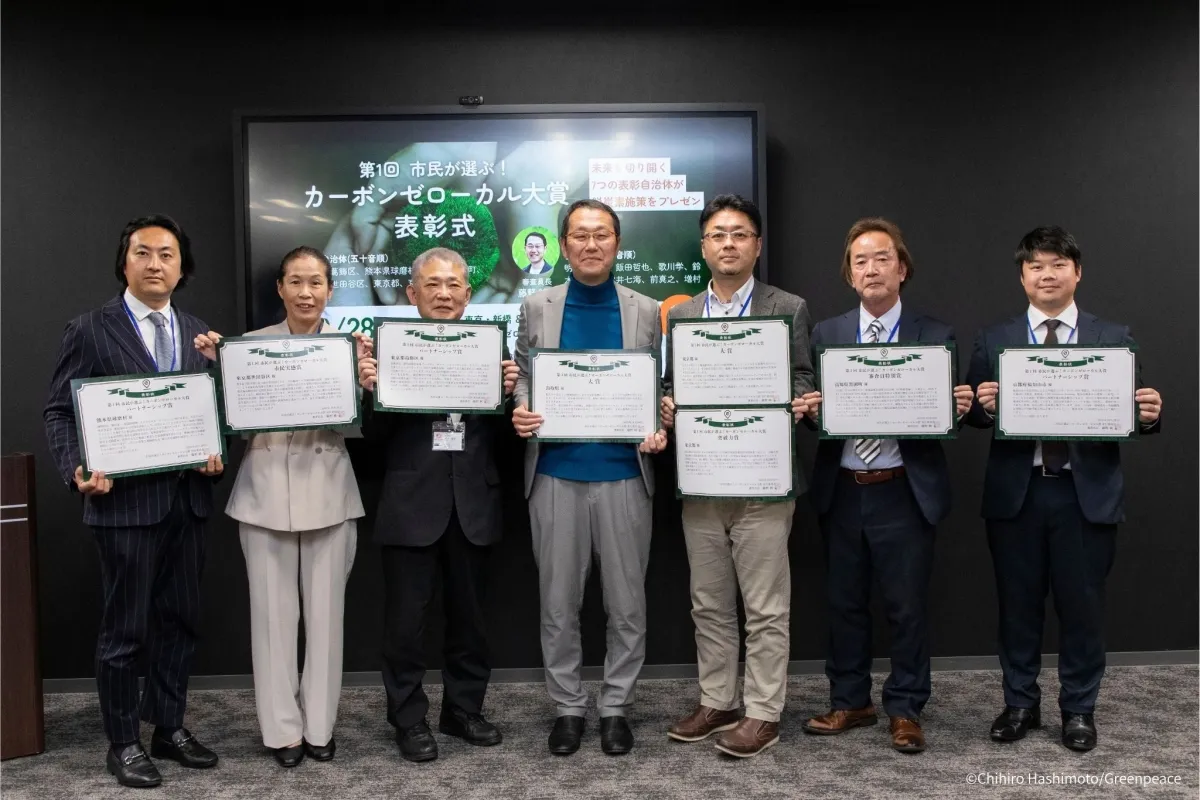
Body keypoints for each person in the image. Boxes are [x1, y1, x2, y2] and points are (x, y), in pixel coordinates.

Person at [43, 214, 224, 788]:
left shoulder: (197, 332)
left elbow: (210, 411)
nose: (154, 264)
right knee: (125, 631)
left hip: (187, 502)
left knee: (181, 622)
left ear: (182, 267)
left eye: (167, 254)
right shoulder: (90, 329)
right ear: (124, 262)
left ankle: (168, 727)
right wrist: (76, 468)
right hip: (123, 507)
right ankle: (122, 741)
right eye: (143, 252)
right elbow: (58, 411)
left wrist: (216, 452)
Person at [964, 226, 1162, 752]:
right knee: (1017, 607)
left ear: (1077, 272)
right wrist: (982, 406)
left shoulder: (1113, 337)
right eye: (1036, 266)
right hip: (1018, 493)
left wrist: (1148, 416)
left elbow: (1130, 412)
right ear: (1022, 277)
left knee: (1083, 608)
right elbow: (976, 417)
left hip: (1084, 494)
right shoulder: (995, 338)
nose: (1046, 274)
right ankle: (1019, 704)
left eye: (1057, 264)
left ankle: (1078, 709)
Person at [798, 217, 974, 754]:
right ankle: (850, 700)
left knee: (906, 606)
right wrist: (810, 413)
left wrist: (955, 409)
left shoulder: (935, 334)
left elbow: (945, 414)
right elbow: (815, 416)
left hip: (903, 488)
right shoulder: (827, 334)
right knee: (844, 603)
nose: (871, 269)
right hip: (844, 487)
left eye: (881, 258)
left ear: (902, 269)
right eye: (860, 261)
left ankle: (905, 707)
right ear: (849, 275)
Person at [193, 246, 364, 768]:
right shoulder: (246, 347)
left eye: (316, 282)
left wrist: (365, 379)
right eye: (295, 282)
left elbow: (360, 426)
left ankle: (319, 727)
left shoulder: (352, 348)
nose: (306, 293)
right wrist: (220, 368)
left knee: (327, 619)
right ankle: (282, 731)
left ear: (330, 289)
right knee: (271, 619)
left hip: (330, 493)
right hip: (263, 493)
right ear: (280, 289)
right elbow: (225, 421)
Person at [658, 194, 815, 757]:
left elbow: (803, 377)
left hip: (764, 479)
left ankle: (763, 712)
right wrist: (667, 403)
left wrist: (796, 401)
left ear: (757, 245)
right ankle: (718, 700)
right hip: (702, 477)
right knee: (708, 602)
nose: (729, 243)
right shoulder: (682, 315)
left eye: (740, 234)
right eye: (718, 234)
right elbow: (671, 384)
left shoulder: (787, 307)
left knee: (766, 606)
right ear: (704, 247)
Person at [512, 199, 668, 756]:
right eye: (580, 234)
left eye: (602, 234)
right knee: (558, 604)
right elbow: (524, 374)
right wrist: (522, 406)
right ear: (564, 245)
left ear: (617, 243)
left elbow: (657, 384)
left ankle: (616, 706)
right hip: (555, 473)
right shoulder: (538, 305)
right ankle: (568, 706)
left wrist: (658, 422)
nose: (591, 244)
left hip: (625, 474)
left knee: (627, 605)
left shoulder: (646, 310)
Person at [355, 247, 519, 763]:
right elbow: (370, 444)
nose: (443, 294)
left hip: (473, 502)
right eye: (432, 284)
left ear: (468, 294)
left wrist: (508, 398)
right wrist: (369, 393)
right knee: (405, 625)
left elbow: (509, 444)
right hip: (411, 503)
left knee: (471, 620)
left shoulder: (493, 348)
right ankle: (408, 719)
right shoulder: (389, 350)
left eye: (453, 285)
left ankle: (463, 710)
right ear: (412, 293)